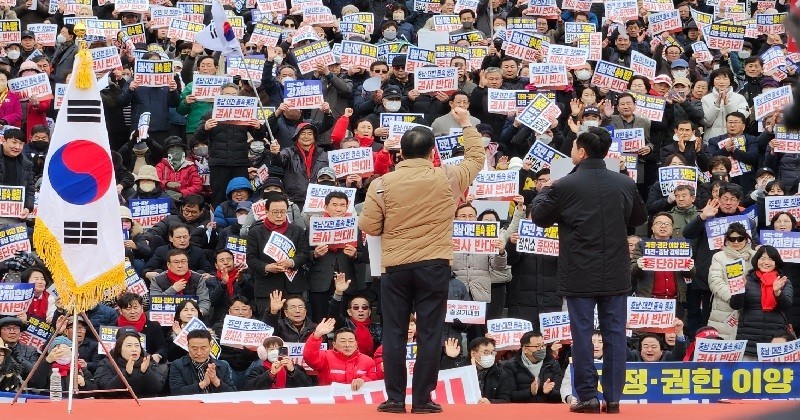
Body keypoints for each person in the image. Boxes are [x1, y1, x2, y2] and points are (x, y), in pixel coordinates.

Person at [358, 108, 484, 414]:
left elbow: (369, 227)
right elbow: (477, 158)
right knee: (429, 332)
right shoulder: (448, 177)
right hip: (434, 264)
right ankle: (425, 398)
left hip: (396, 267)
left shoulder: (381, 184)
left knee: (394, 333)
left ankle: (395, 399)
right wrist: (466, 124)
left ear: (400, 152)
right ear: (432, 152)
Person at [530, 127, 647, 414]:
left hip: (579, 272)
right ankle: (614, 397)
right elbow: (640, 217)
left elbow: (540, 217)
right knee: (615, 334)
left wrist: (546, 190)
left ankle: (587, 397)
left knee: (582, 335)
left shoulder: (565, 185)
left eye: (573, 147)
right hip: (616, 272)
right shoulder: (623, 182)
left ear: (581, 152)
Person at [245, 193, 310, 317]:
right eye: (275, 212)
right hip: (266, 287)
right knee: (269, 323)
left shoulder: (297, 230)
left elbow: (304, 253)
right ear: (267, 211)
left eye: (282, 212)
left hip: (293, 287)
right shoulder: (255, 232)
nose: (279, 215)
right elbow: (251, 258)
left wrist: (291, 262)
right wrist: (266, 267)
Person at [730, 245, 794, 359]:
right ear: (756, 261)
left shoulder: (783, 281)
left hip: (775, 340)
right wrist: (739, 290)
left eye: (770, 259)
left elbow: (787, 305)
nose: (766, 262)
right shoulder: (747, 280)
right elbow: (735, 305)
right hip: (748, 340)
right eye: (762, 258)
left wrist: (777, 292)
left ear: (776, 262)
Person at [707, 223, 756, 340]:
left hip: (750, 308)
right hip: (724, 309)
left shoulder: (755, 256)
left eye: (740, 238)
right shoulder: (718, 257)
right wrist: (734, 299)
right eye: (732, 239)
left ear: (747, 239)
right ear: (726, 240)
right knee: (722, 347)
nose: (736, 242)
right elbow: (715, 281)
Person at [302, 318, 377, 388]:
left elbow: (375, 382)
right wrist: (317, 335)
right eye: (343, 341)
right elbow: (310, 357)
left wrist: (363, 380)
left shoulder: (368, 361)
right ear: (334, 344)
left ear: (356, 343)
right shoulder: (325, 357)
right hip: (330, 400)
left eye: (351, 341)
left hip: (358, 401)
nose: (347, 345)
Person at [440, 337, 513, 404]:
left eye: (492, 353)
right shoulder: (460, 369)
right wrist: (449, 359)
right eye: (486, 352)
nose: (490, 356)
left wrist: (490, 402)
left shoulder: (499, 374)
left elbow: (505, 399)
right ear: (473, 353)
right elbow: (443, 382)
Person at [94, 328, 165, 397]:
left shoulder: (148, 361)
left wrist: (146, 372)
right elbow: (106, 390)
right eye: (129, 346)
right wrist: (126, 374)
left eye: (137, 345)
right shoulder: (107, 363)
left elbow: (158, 388)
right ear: (119, 348)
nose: (134, 349)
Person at [502, 331, 563, 403]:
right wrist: (530, 392)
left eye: (543, 345)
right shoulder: (510, 366)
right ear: (525, 349)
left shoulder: (553, 364)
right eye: (537, 346)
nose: (542, 349)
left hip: (547, 409)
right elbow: (509, 396)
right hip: (522, 410)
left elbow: (560, 394)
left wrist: (548, 392)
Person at [169, 329, 236, 394]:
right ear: (188, 347)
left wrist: (216, 381)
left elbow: (233, 394)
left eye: (203, 348)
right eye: (194, 349)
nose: (199, 353)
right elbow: (176, 392)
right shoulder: (177, 365)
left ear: (210, 346)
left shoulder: (223, 365)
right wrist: (203, 384)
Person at [149, 249, 212, 317]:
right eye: (176, 262)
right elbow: (154, 303)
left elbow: (204, 301)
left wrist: (199, 312)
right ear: (168, 265)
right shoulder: (157, 279)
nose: (180, 265)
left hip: (193, 315)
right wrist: (173, 289)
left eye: (183, 262)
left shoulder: (198, 278)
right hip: (166, 315)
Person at [30, 336, 96, 394]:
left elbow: (95, 392)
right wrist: (47, 362)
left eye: (66, 351)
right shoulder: (45, 367)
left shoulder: (80, 369)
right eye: (58, 352)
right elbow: (34, 385)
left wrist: (85, 384)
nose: (63, 354)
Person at [243, 336, 314, 390]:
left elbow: (308, 386)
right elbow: (249, 388)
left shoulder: (295, 368)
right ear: (264, 353)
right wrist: (270, 374)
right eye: (271, 349)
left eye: (278, 349)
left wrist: (293, 371)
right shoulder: (258, 370)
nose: (275, 352)